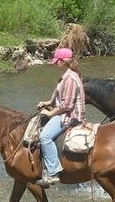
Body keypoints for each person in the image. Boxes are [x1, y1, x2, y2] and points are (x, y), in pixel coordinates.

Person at [35, 47, 85, 187]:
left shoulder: (70, 78)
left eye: (57, 61)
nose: (55, 64)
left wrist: (50, 113)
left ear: (63, 61)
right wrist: (48, 103)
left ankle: (53, 172)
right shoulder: (67, 75)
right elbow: (60, 98)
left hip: (70, 116)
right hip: (65, 112)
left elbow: (67, 105)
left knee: (44, 137)